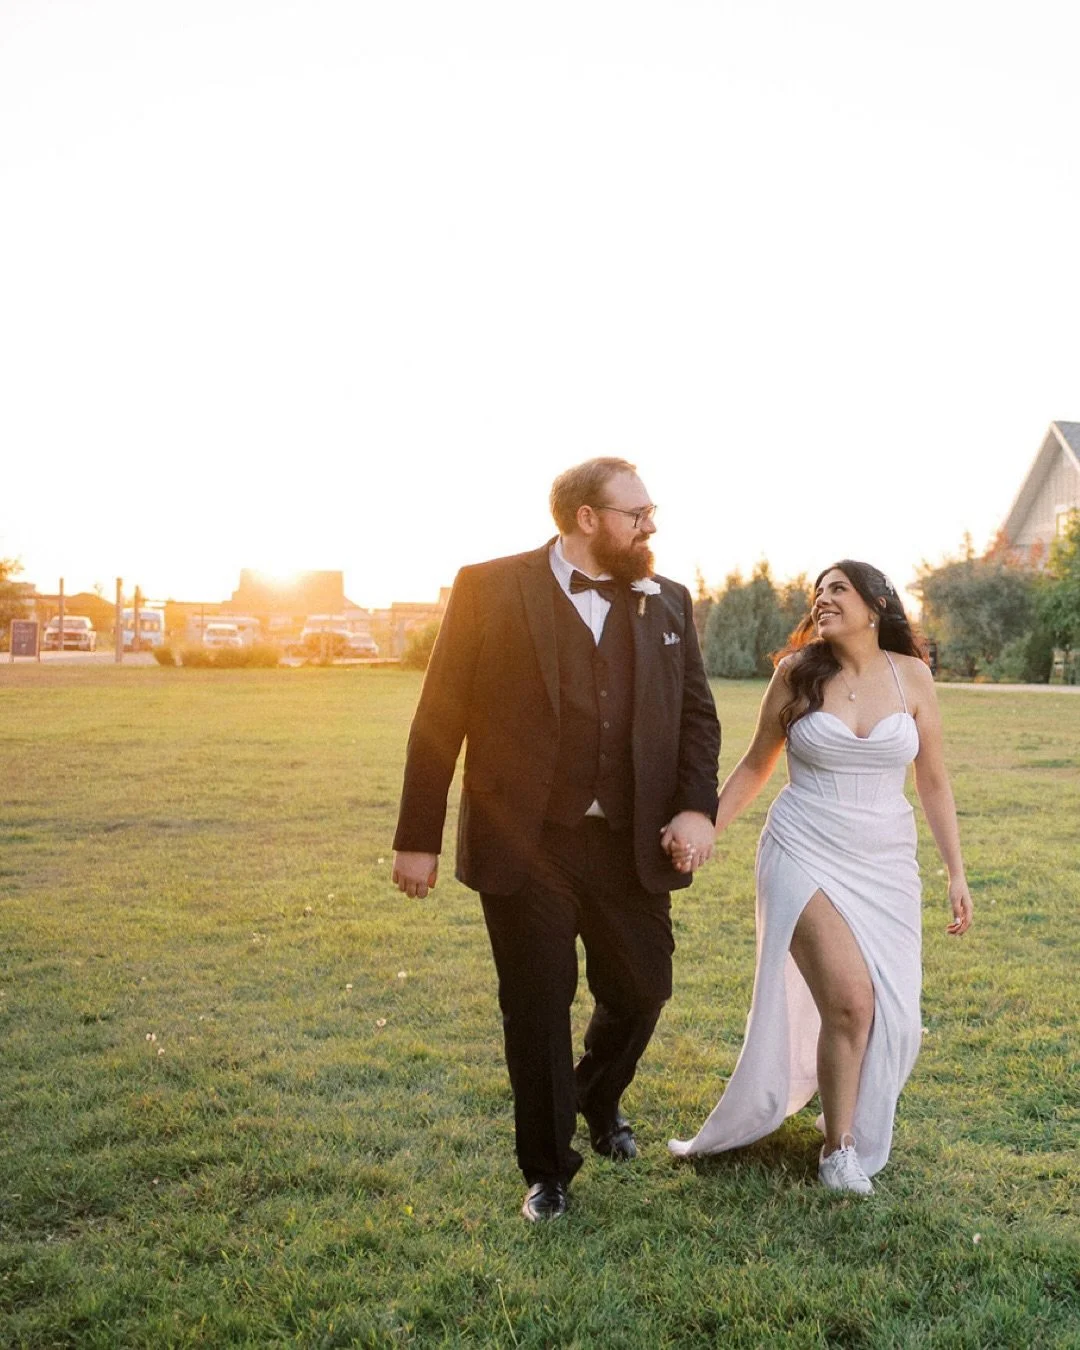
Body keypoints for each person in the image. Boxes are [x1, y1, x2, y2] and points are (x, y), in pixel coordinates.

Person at [392, 458, 721, 1222]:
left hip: (629, 841)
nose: (650, 526)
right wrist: (418, 837)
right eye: (637, 513)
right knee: (537, 1006)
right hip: (525, 838)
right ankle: (548, 1171)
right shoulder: (487, 587)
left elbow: (696, 717)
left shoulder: (668, 600)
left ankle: (596, 1095)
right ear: (586, 518)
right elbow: (439, 713)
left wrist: (695, 809)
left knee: (643, 988)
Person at [666, 560, 972, 1194]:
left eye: (838, 589)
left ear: (876, 605)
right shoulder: (796, 673)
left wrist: (955, 872)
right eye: (818, 592)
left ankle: (840, 1120)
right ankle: (840, 1150)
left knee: (895, 1018)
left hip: (886, 862)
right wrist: (706, 830)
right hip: (803, 846)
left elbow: (934, 781)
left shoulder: (913, 676)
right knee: (851, 1001)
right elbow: (756, 764)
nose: (822, 600)